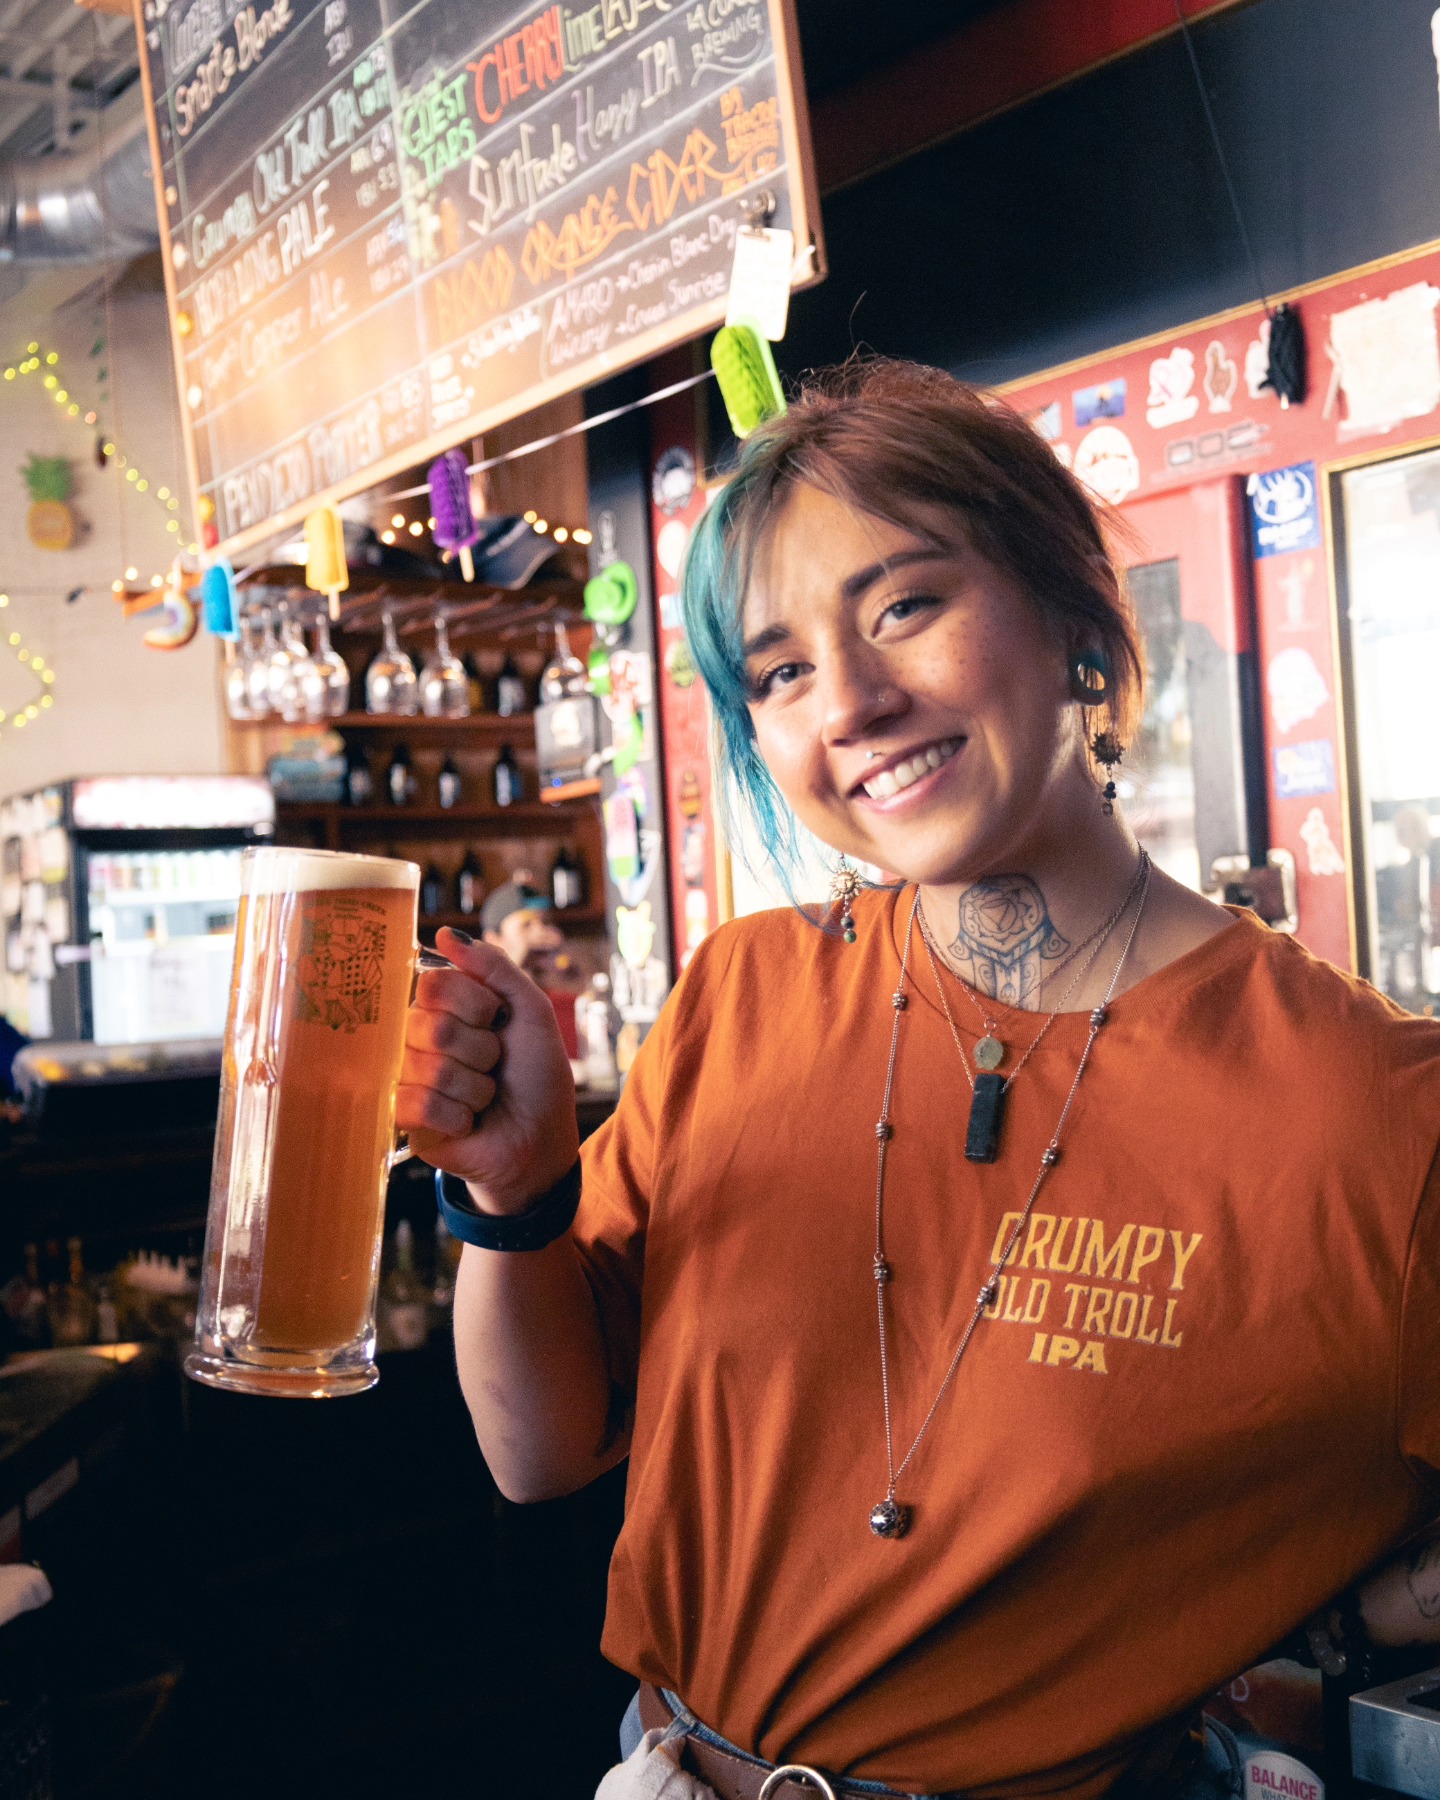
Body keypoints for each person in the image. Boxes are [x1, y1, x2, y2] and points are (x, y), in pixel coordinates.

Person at [397, 361, 1440, 1799]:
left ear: (1074, 612)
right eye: (780, 671)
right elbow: (541, 1453)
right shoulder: (742, 1000)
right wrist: (512, 1192)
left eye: (906, 605)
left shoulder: (1372, 1112)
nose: (854, 703)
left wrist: (1327, 1639)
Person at [479, 876, 564, 979]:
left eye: (545, 923)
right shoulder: (477, 988)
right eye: (526, 925)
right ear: (493, 939)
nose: (540, 930)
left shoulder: (559, 989)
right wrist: (517, 960)